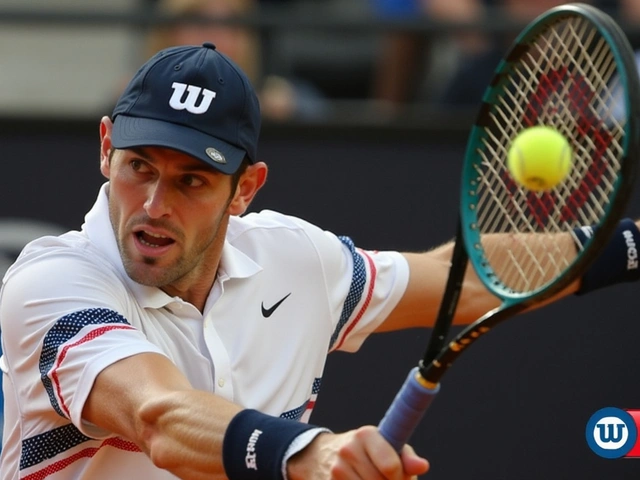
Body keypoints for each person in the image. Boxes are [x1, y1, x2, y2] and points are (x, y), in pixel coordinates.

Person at [0, 42, 638, 480]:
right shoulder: (52, 283)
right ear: (107, 148)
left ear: (245, 189)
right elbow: (158, 416)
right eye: (140, 168)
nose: (155, 204)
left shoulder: (297, 260)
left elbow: (466, 282)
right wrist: (310, 455)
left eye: (192, 181)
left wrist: (631, 246)